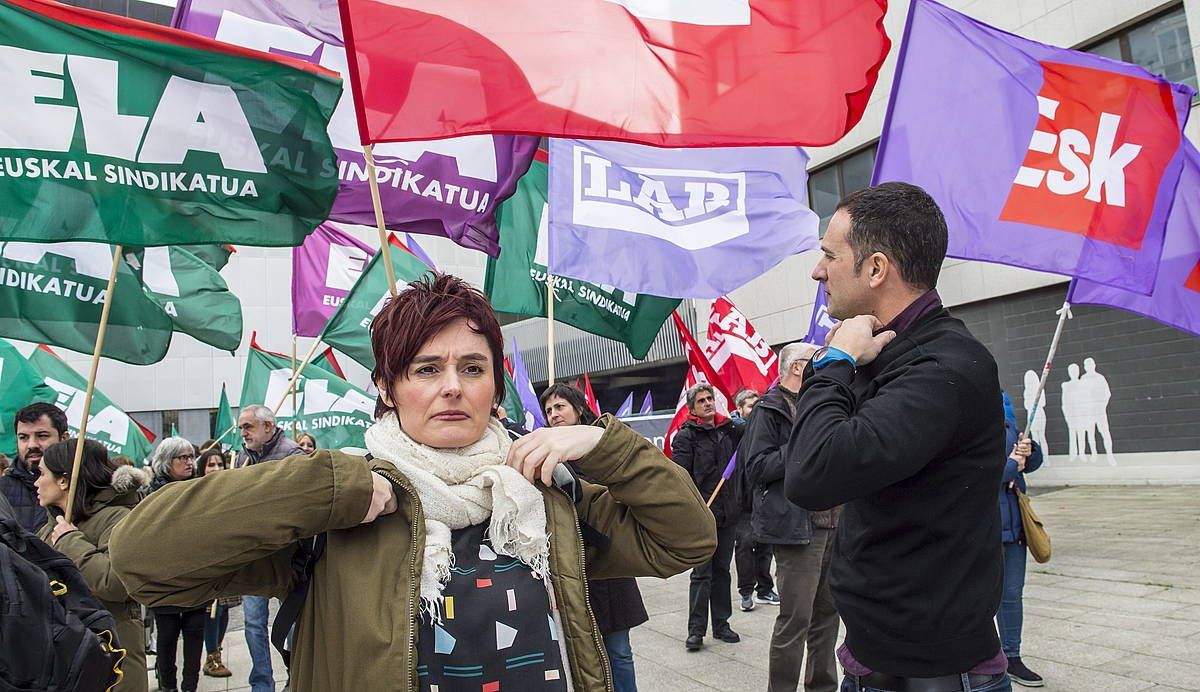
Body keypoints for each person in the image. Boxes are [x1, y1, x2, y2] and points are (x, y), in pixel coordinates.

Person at [110, 274, 716, 691]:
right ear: (385, 386)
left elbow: (686, 539)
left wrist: (604, 445)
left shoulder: (546, 495)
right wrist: (327, 489)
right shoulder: (340, 509)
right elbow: (143, 560)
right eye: (426, 368)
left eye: (472, 368)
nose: (453, 386)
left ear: (495, 387)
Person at [786, 183, 1010, 691]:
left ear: (876, 268)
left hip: (932, 673)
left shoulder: (943, 366)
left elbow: (812, 473)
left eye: (828, 255)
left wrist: (834, 361)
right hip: (877, 658)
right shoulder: (887, 352)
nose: (818, 271)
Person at [743, 342, 839, 692]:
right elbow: (756, 468)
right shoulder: (768, 409)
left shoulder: (821, 403)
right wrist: (802, 445)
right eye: (819, 360)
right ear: (798, 367)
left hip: (834, 525)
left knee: (828, 617)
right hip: (798, 531)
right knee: (795, 620)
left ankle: (824, 686)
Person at [540, 382, 650, 692]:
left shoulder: (601, 450)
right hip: (571, 567)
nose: (554, 414)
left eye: (560, 406)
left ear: (578, 408)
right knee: (581, 655)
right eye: (549, 410)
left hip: (608, 566)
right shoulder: (547, 455)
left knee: (618, 650)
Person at [34, 437, 148, 692]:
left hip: (112, 656)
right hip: (66, 658)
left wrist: (70, 540)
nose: (36, 482)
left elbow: (115, 583)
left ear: (64, 480)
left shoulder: (119, 518)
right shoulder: (48, 528)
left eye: (42, 474)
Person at [233, 404, 302, 692]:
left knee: (292, 623)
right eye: (241, 428)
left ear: (268, 427)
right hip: (254, 555)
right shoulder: (242, 458)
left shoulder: (293, 455)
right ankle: (262, 684)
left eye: (248, 427)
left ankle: (295, 676)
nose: (243, 433)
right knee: (253, 624)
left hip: (287, 557)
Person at [672, 382, 744, 651]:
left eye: (709, 398)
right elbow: (680, 477)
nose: (707, 403)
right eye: (701, 400)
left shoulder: (729, 431)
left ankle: (722, 624)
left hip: (727, 514)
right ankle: (696, 630)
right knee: (702, 573)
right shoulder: (686, 437)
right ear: (692, 409)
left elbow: (755, 428)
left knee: (722, 571)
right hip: (702, 515)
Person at [146, 437, 207, 692]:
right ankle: (167, 686)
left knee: (195, 633)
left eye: (191, 457)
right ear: (166, 461)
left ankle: (190, 686)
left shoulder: (200, 489)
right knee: (167, 636)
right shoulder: (152, 494)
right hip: (165, 578)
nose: (189, 462)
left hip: (196, 575)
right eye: (183, 457)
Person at [998, 394, 1044, 688]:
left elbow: (1033, 463)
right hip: (982, 528)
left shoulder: (1010, 425)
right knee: (978, 598)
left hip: (1014, 528)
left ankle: (1012, 656)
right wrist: (1013, 466)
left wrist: (1030, 450)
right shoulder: (965, 427)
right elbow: (977, 475)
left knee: (1012, 596)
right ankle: (983, 660)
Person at [731, 388, 777, 612]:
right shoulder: (734, 430)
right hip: (742, 500)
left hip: (763, 497)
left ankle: (765, 589)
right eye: (750, 406)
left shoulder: (764, 428)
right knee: (745, 545)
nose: (755, 409)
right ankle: (746, 591)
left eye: (757, 405)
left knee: (765, 545)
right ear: (739, 409)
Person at [194, 443, 237, 679]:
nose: (216, 468)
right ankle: (211, 657)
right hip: (207, 558)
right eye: (211, 465)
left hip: (227, 555)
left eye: (220, 464)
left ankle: (217, 650)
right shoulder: (196, 490)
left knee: (225, 607)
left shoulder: (229, 489)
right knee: (212, 610)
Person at [2, 402, 69, 532]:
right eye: (23, 437)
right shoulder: (2, 491)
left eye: (42, 436)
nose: (32, 445)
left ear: (64, 438)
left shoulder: (84, 488)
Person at [236, 405, 303, 467]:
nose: (242, 434)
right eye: (241, 428)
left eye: (248, 427)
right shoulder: (243, 455)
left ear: (267, 426)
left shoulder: (292, 454)